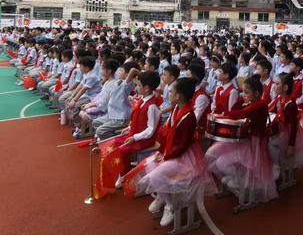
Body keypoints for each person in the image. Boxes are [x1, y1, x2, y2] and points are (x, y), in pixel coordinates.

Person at [123, 77, 216, 227]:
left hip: (183, 156)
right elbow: (167, 134)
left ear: (179, 96)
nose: (169, 94)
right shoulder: (176, 109)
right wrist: (161, 151)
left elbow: (183, 144)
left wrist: (166, 155)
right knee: (148, 166)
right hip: (171, 150)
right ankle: (163, 197)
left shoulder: (189, 116)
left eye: (171, 91)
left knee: (156, 176)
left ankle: (170, 206)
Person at [206, 75, 278, 203]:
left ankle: (242, 184)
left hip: (255, 141)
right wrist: (241, 99)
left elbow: (239, 113)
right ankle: (238, 180)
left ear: (256, 93)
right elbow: (235, 109)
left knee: (244, 165)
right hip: (247, 138)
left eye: (246, 92)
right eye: (242, 92)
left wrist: (225, 113)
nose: (243, 95)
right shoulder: (251, 102)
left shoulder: (260, 105)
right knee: (217, 156)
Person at [95, 70, 161, 198]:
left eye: (139, 85)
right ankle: (123, 174)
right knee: (112, 144)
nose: (136, 87)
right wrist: (129, 128)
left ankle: (125, 175)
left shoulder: (152, 106)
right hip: (134, 134)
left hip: (144, 139)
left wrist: (134, 137)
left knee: (119, 150)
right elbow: (136, 118)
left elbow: (150, 130)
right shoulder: (143, 99)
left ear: (146, 88)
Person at [268, 73, 303, 178]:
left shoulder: (290, 104)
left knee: (271, 144)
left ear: (285, 87)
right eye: (274, 83)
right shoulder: (279, 98)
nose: (273, 86)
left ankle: (276, 167)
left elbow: (293, 126)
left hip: (287, 132)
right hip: (281, 128)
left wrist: (291, 145)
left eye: (277, 83)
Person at [93, 62, 139, 140]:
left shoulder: (128, 84)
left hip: (120, 117)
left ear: (127, 75)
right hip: (112, 114)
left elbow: (133, 70)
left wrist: (140, 73)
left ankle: (117, 139)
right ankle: (113, 134)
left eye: (121, 71)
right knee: (95, 122)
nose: (118, 72)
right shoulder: (118, 81)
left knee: (100, 131)